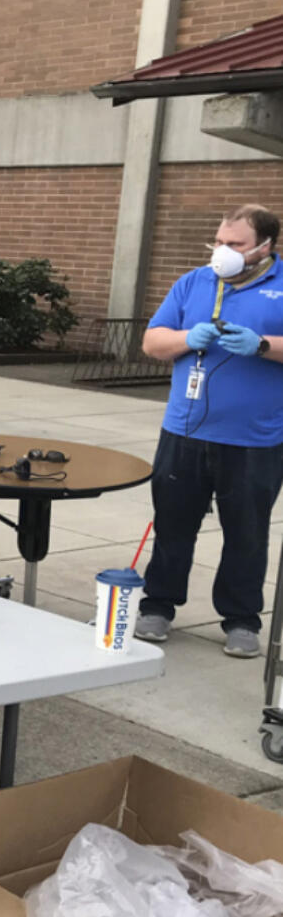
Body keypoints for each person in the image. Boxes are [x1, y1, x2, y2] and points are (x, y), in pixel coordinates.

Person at [137, 203, 283, 659]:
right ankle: (158, 605)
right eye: (219, 242)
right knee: (174, 524)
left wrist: (262, 345)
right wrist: (187, 339)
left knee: (246, 532)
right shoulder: (194, 282)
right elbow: (152, 341)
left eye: (235, 245)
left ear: (265, 247)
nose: (223, 252)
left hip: (255, 438)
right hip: (185, 431)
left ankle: (241, 619)